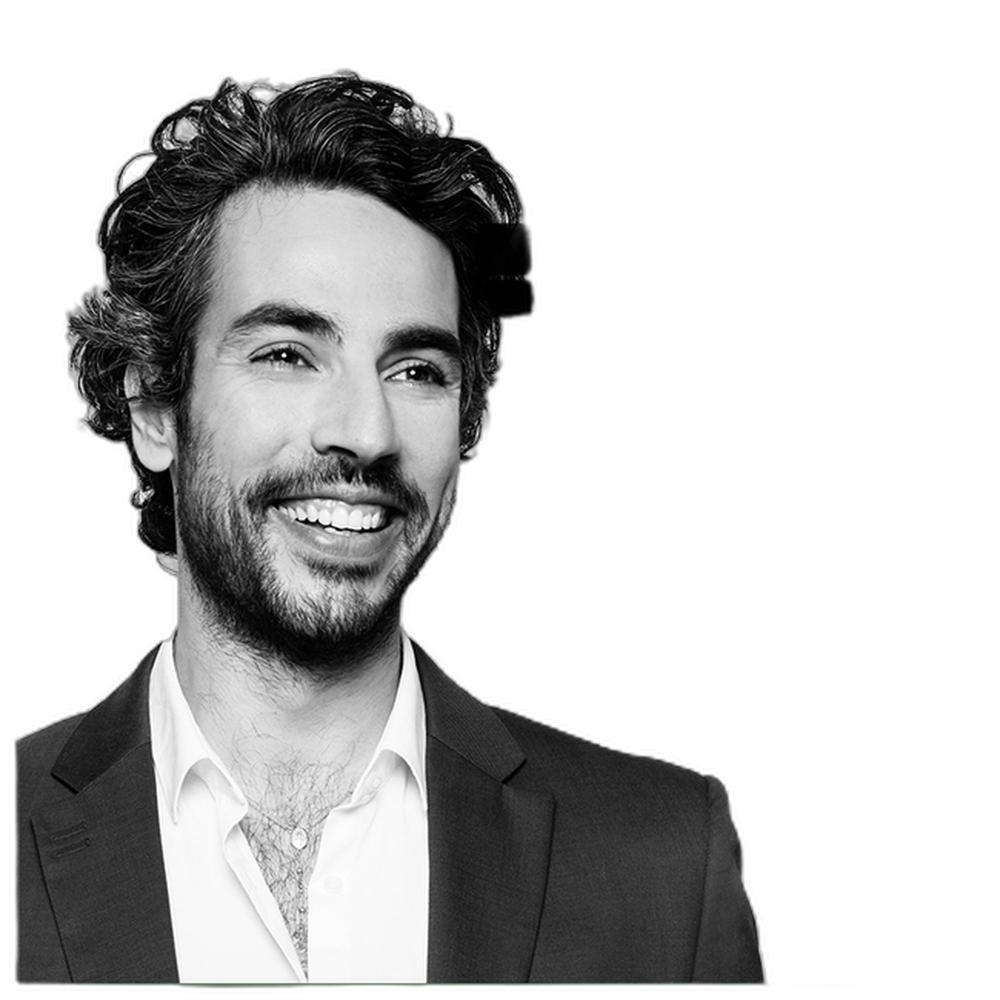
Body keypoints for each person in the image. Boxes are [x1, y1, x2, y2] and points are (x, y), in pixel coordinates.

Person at [16, 73, 763, 984]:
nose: (366, 432)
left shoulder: (664, 866)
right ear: (154, 409)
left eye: (416, 370)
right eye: (287, 354)